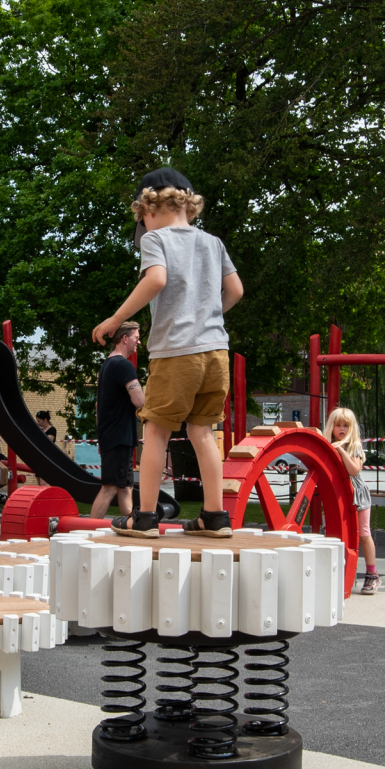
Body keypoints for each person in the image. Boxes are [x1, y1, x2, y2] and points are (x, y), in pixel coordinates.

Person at [93, 167, 243, 533]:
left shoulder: (155, 239)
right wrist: (206, 315)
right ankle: (214, 516)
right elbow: (235, 291)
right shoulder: (213, 242)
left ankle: (143, 516)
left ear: (147, 209)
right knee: (202, 431)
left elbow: (156, 279)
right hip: (216, 352)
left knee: (157, 432)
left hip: (176, 352)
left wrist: (115, 319)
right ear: (188, 207)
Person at [85, 322, 147, 519]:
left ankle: (130, 528)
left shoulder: (107, 365)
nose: (138, 342)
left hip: (116, 436)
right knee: (110, 486)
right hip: (119, 436)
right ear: (125, 338)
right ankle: (88, 530)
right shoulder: (123, 365)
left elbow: (99, 406)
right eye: (136, 338)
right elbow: (139, 400)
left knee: (126, 486)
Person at [325, 405, 380, 594]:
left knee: (363, 534)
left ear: (352, 428)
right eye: (338, 425)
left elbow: (354, 470)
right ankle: (338, 574)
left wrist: (341, 451)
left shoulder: (354, 446)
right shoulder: (328, 446)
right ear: (331, 427)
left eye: (346, 426)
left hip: (358, 495)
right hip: (340, 495)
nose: (342, 429)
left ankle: (372, 575)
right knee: (339, 534)